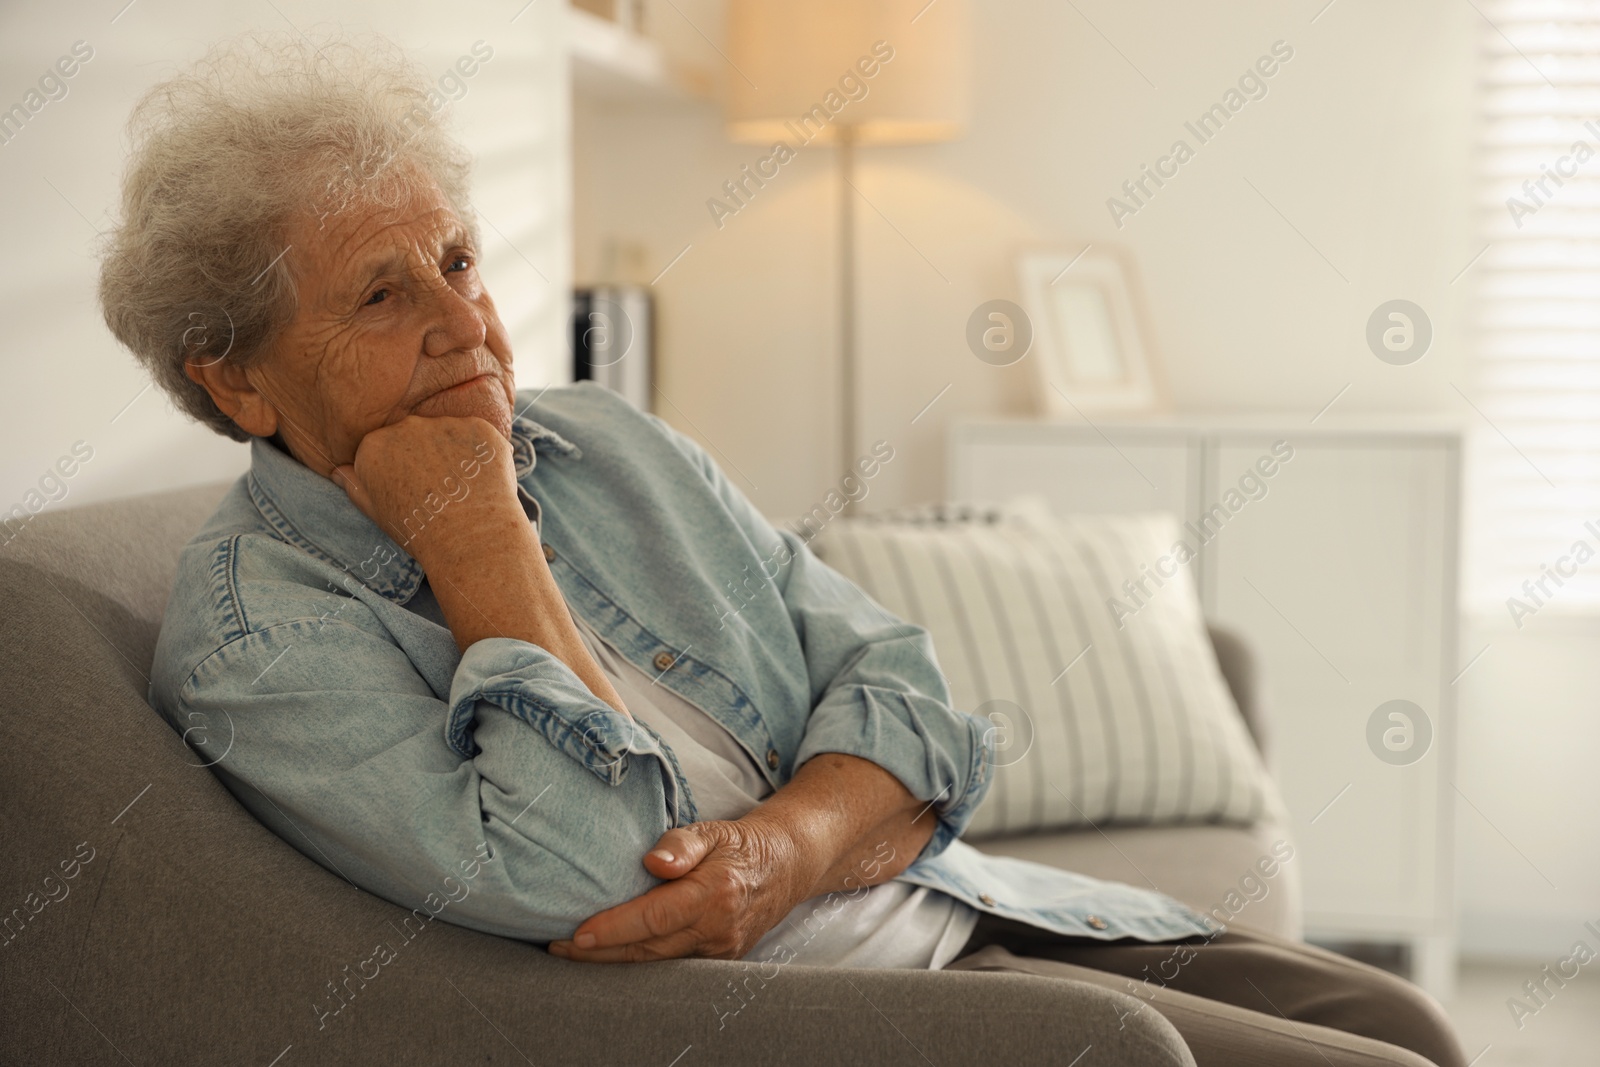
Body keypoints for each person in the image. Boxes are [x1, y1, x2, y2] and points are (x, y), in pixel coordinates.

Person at [98, 34, 1466, 1066]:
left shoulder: (606, 446)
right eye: (384, 294)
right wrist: (479, 544)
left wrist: (792, 851)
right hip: (815, 1012)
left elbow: (906, 687)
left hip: (959, 900)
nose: (466, 327)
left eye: (458, 261)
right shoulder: (256, 645)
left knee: (1399, 1016)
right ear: (239, 385)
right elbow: (589, 876)